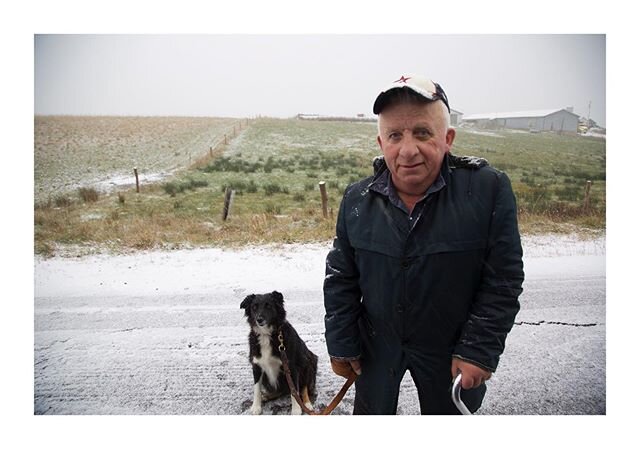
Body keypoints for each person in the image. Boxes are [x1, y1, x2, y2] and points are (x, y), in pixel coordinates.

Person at [323, 74, 524, 414]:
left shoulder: (487, 191)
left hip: (451, 348)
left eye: (422, 132)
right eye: (395, 135)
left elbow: (502, 280)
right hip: (377, 345)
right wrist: (342, 344)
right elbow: (341, 277)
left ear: (447, 138)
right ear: (381, 142)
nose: (408, 150)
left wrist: (477, 349)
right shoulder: (357, 199)